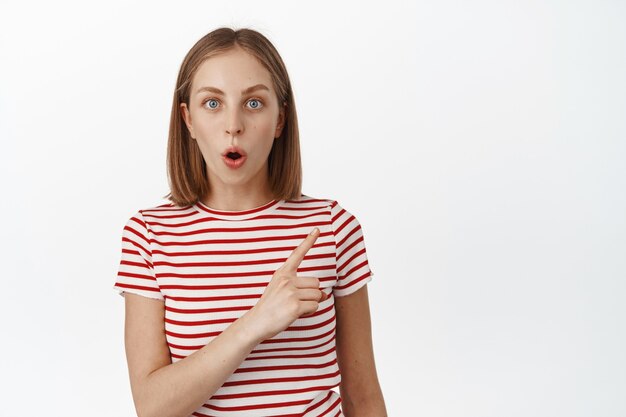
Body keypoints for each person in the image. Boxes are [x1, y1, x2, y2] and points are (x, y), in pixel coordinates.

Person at [113, 27, 387, 417]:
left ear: (280, 120)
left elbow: (363, 395)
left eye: (254, 103)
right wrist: (256, 323)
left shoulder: (333, 226)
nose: (233, 125)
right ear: (188, 120)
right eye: (213, 103)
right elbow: (152, 407)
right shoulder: (149, 235)